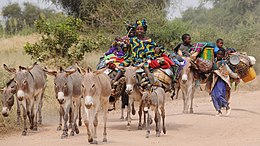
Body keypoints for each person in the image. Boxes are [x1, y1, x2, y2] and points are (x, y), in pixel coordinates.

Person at [206, 48, 240, 116]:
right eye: (218, 54)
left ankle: (227, 106)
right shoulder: (213, 62)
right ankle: (218, 110)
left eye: (220, 54)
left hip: (222, 80)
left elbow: (228, 72)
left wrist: (236, 76)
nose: (219, 55)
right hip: (214, 80)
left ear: (223, 56)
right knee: (213, 95)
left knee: (219, 95)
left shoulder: (223, 63)